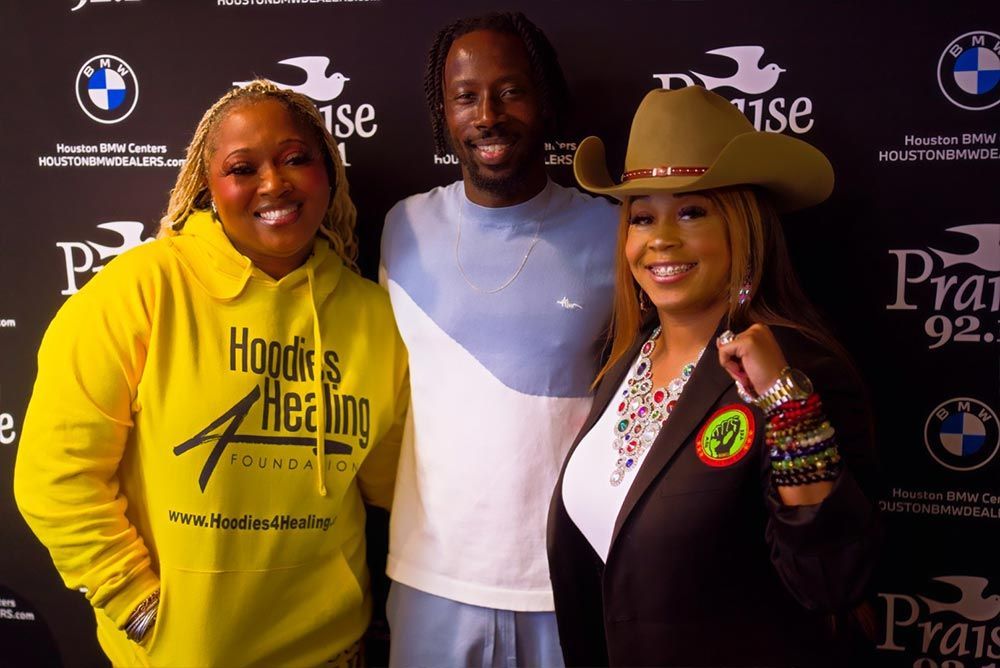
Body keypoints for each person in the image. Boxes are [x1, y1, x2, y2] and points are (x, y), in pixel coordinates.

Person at [14, 80, 408, 667]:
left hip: (331, 653)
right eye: (242, 167)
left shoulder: (373, 315)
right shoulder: (140, 291)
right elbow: (54, 476)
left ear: (329, 171)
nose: (274, 183)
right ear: (207, 186)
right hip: (179, 654)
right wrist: (137, 604)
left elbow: (388, 483)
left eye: (296, 158)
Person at [547, 86, 881, 667]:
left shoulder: (801, 370)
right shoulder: (624, 361)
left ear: (743, 228)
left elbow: (830, 582)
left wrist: (787, 405)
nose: (661, 240)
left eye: (693, 211)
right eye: (643, 216)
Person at [379, 11, 617, 667]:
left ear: (545, 104)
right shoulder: (402, 229)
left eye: (510, 91)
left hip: (566, 581)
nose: (488, 114)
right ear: (443, 112)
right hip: (431, 584)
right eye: (465, 96)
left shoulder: (616, 233)